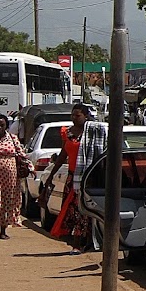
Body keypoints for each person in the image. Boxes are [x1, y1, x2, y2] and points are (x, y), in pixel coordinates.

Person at [43, 103, 90, 252]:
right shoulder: (67, 133)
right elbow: (63, 155)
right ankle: (76, 243)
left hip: (87, 177)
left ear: (86, 116)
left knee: (84, 211)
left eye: (78, 115)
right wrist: (51, 175)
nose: (74, 118)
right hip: (71, 178)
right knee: (73, 211)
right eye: (73, 115)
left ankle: (85, 242)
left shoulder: (91, 133)